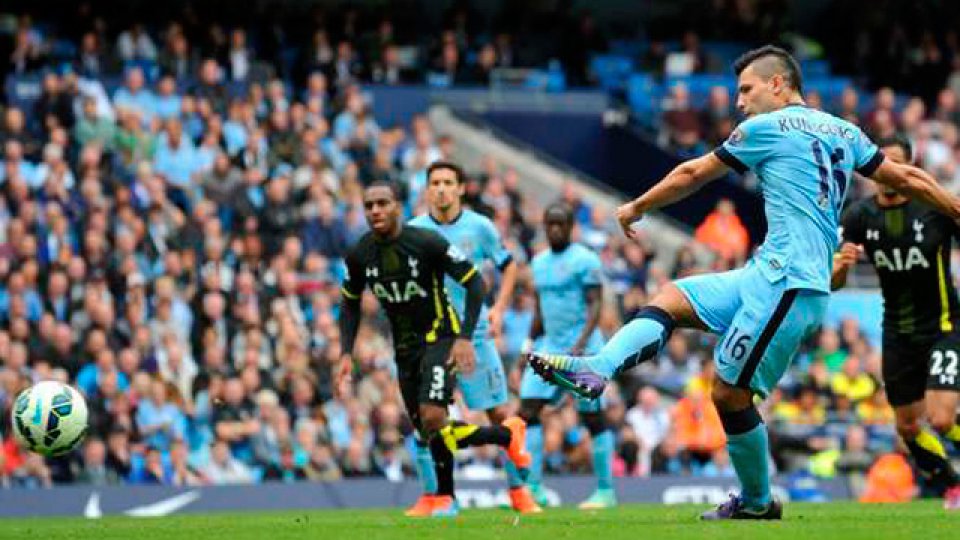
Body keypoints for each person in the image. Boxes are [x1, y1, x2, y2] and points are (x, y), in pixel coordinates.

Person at [526, 45, 960, 520]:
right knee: (670, 298)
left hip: (788, 284)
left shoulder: (765, 128)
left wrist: (637, 207)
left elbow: (694, 172)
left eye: (746, 89)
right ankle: (598, 368)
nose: (739, 102)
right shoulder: (844, 130)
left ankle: (756, 503)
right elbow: (910, 177)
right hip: (765, 274)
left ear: (778, 84)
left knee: (728, 395)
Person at [337, 181, 530, 518]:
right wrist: (344, 352)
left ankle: (447, 495)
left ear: (398, 207)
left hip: (441, 337)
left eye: (383, 203)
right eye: (369, 206)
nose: (375, 211)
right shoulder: (360, 253)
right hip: (404, 347)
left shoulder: (425, 241)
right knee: (427, 429)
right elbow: (350, 303)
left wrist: (464, 337)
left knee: (433, 415)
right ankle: (498, 442)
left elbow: (475, 282)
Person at [832, 135, 960, 509]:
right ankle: (951, 485)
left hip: (944, 327)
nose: (886, 171)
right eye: (879, 164)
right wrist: (841, 268)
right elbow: (836, 283)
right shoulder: (858, 215)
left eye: (895, 164)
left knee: (939, 418)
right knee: (906, 427)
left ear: (910, 168)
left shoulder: (933, 208)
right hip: (897, 332)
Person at [408, 162, 540, 514]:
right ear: (426, 190)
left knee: (498, 412)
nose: (441, 189)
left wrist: (499, 308)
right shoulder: (414, 231)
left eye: (448, 182)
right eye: (434, 183)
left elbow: (508, 265)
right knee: (427, 418)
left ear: (461, 188)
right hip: (432, 337)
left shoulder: (480, 228)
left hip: (474, 333)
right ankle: (437, 496)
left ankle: (518, 491)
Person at [518, 202, 617, 509]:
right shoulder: (538, 262)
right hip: (549, 346)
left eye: (561, 225)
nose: (555, 230)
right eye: (550, 224)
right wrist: (528, 343)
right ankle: (533, 489)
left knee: (592, 416)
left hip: (584, 350)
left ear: (571, 227)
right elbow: (540, 309)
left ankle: (605, 492)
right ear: (544, 227)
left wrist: (582, 343)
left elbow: (595, 305)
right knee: (528, 409)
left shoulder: (585, 260)